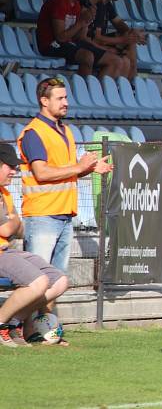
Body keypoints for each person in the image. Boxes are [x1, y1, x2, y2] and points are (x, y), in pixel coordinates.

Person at [16, 78, 111, 311]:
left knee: (56, 281)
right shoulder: (33, 133)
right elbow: (42, 172)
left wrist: (88, 169)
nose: (66, 102)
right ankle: (20, 326)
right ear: (44, 101)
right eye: (60, 98)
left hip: (64, 215)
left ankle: (45, 329)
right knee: (36, 280)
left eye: (66, 97)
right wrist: (79, 168)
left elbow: (63, 173)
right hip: (42, 215)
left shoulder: (65, 130)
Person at [0, 143, 69, 348]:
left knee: (59, 281)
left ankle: (13, 323)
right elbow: (6, 230)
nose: (15, 171)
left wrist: (12, 223)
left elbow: (18, 229)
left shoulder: (5, 193)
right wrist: (12, 223)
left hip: (7, 250)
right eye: (10, 166)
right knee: (38, 282)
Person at [36, 0, 125, 78]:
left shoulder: (78, 4)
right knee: (87, 56)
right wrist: (81, 22)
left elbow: (80, 37)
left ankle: (100, 94)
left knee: (116, 60)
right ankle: (83, 92)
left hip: (68, 43)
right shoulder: (59, 1)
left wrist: (86, 22)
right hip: (51, 44)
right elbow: (60, 37)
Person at [86, 0, 145, 80]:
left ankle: (130, 82)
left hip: (99, 40)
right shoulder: (98, 4)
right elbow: (96, 37)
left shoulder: (107, 4)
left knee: (130, 41)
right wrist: (122, 39)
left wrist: (134, 34)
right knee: (126, 49)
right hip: (90, 41)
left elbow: (119, 24)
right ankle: (133, 79)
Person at [78, 0, 132, 79]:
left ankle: (122, 90)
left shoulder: (101, 5)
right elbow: (83, 38)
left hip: (89, 42)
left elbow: (119, 24)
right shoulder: (89, 4)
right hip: (81, 44)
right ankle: (101, 93)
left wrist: (130, 35)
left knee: (126, 60)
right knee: (117, 61)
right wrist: (105, 48)